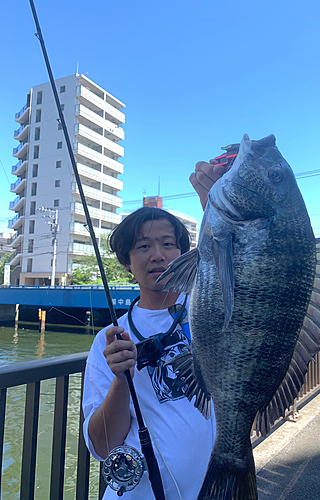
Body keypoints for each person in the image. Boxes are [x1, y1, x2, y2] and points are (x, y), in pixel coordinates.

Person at [82, 160, 229, 499]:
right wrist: (121, 378)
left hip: (215, 489)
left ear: (184, 253)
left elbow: (246, 271)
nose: (158, 255)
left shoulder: (211, 310)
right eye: (144, 247)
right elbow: (103, 446)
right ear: (127, 262)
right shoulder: (110, 341)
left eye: (168, 244)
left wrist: (217, 208)